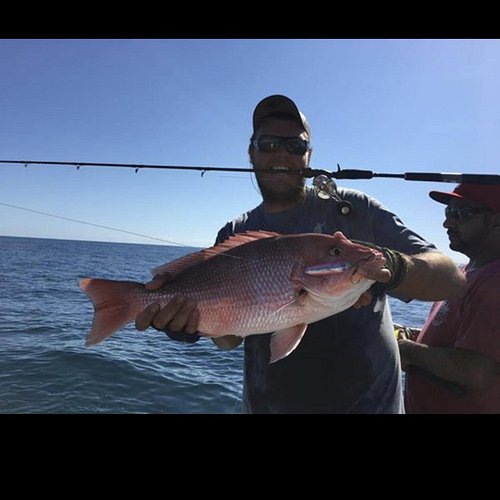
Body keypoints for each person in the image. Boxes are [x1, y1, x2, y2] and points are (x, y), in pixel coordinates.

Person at [136, 94, 466, 413]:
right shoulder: (234, 233)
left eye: (296, 146)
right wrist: (188, 324)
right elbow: (229, 341)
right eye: (268, 145)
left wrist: (392, 266)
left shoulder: (354, 210)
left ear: (309, 155)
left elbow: (450, 280)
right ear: (250, 153)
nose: (282, 155)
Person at [398, 183, 500, 413]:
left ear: (497, 221)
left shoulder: (495, 279)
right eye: (448, 212)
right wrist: (419, 342)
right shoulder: (461, 273)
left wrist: (409, 351)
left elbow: (477, 370)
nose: (447, 222)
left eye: (460, 213)